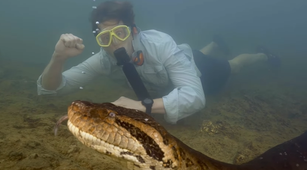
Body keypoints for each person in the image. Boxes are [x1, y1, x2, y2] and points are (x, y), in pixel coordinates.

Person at [36, 1, 280, 124]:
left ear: (133, 31)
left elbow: (195, 96)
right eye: (104, 38)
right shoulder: (103, 59)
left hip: (197, 67)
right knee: (191, 53)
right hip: (181, 58)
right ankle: (214, 43)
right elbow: (51, 89)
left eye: (119, 33)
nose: (114, 44)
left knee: (232, 67)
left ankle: (263, 55)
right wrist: (58, 58)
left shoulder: (160, 44)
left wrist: (140, 107)